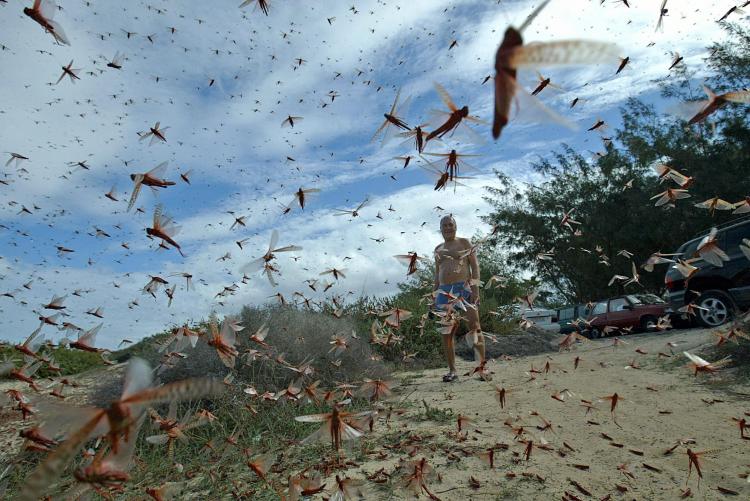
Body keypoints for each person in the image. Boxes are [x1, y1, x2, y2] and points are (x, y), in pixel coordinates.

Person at [433, 215, 488, 382]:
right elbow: (437, 274)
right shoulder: (438, 249)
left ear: (455, 227)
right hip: (443, 292)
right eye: (445, 225)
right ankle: (452, 371)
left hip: (463, 289)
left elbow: (475, 267)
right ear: (441, 229)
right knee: (447, 332)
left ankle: (481, 369)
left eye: (451, 224)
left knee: (475, 327)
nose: (448, 227)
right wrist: (433, 296)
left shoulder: (465, 243)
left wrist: (475, 290)